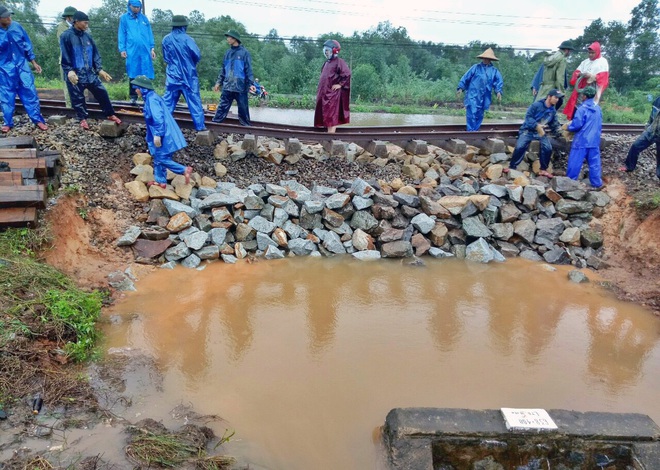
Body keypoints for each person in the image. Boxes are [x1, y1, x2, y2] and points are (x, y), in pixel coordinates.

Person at [60, 11, 122, 130]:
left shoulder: (87, 36)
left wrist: (99, 69)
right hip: (76, 74)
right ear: (76, 22)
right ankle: (82, 118)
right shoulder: (66, 36)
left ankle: (110, 114)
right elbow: (65, 55)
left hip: (90, 73)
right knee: (77, 98)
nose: (87, 25)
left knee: (102, 92)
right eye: (85, 23)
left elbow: (95, 54)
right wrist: (69, 70)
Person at [131, 75, 192, 189]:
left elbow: (158, 118)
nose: (135, 90)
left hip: (163, 133)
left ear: (142, 88)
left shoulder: (152, 99)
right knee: (158, 157)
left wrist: (158, 134)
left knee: (161, 158)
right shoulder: (150, 97)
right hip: (164, 132)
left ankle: (184, 170)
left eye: (137, 87)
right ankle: (161, 181)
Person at [0, 5, 48, 133]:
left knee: (30, 92)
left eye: (10, 16)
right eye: (6, 17)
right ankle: (8, 122)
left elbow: (26, 44)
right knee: (6, 96)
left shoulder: (17, 27)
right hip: (4, 70)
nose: (9, 18)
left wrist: (33, 62)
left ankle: (38, 120)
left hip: (22, 66)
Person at [504, 89, 564, 178]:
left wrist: (560, 132)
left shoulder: (552, 111)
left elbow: (554, 124)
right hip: (527, 130)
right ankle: (512, 167)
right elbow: (528, 118)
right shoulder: (536, 105)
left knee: (547, 148)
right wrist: (536, 125)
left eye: (558, 98)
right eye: (555, 97)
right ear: (549, 97)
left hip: (540, 133)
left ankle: (543, 170)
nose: (557, 100)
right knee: (520, 146)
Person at [162, 15, 206, 131]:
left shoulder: (166, 39)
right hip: (188, 76)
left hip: (173, 76)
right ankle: (200, 127)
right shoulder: (188, 39)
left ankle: (163, 126)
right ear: (184, 26)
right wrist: (189, 64)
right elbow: (197, 55)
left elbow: (166, 58)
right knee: (194, 102)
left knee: (168, 103)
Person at [212, 30, 254, 126]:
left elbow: (248, 70)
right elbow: (223, 70)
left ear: (234, 39)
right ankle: (214, 127)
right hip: (227, 86)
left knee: (243, 110)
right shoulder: (227, 53)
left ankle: (247, 129)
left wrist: (251, 84)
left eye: (229, 37)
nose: (227, 39)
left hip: (240, 87)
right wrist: (218, 82)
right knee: (222, 108)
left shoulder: (244, 53)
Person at [457, 47, 503, 131]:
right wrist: (461, 87)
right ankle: (470, 131)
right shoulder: (475, 67)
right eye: (484, 58)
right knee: (471, 111)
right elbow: (466, 77)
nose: (485, 60)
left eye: (487, 58)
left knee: (480, 113)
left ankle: (476, 130)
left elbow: (498, 81)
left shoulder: (494, 71)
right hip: (473, 94)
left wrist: (498, 91)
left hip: (485, 95)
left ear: (490, 60)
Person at [118, 0, 155, 105]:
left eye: (138, 7)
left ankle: (147, 96)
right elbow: (122, 34)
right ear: (129, 6)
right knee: (133, 72)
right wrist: (122, 49)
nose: (136, 9)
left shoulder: (144, 19)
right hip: (132, 50)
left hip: (145, 51)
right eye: (134, 7)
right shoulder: (124, 19)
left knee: (145, 72)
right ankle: (133, 96)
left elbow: (149, 34)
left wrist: (152, 48)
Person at [565, 87, 603, 188]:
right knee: (594, 163)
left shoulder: (582, 109)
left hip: (581, 140)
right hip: (594, 141)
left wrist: (568, 127)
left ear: (584, 96)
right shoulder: (598, 108)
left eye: (582, 95)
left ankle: (569, 183)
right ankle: (597, 183)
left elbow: (577, 125)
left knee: (575, 162)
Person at [563, 42, 609, 120]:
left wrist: (591, 76)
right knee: (577, 105)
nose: (590, 54)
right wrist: (580, 74)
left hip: (593, 89)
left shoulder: (603, 62)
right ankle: (575, 121)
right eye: (589, 53)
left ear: (597, 52)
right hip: (581, 88)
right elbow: (576, 72)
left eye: (592, 53)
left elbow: (603, 78)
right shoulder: (585, 62)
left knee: (590, 106)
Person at [314, 39, 351, 133]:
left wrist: (340, 84)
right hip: (323, 93)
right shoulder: (326, 63)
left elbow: (347, 74)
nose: (326, 52)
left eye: (328, 50)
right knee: (324, 114)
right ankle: (327, 135)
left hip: (332, 94)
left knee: (331, 115)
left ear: (334, 51)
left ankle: (331, 136)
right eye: (325, 50)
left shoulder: (339, 62)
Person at [619, 95, 660, 178]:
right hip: (652, 130)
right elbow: (652, 115)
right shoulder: (657, 100)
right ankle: (629, 166)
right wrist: (648, 126)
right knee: (636, 146)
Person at [535, 40, 574, 108]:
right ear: (566, 50)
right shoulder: (562, 59)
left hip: (544, 87)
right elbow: (559, 78)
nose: (570, 53)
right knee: (549, 108)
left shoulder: (551, 57)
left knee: (539, 105)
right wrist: (562, 92)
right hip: (552, 88)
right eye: (570, 50)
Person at [56, 6, 76, 107]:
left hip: (77, 61)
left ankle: (78, 107)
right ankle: (69, 108)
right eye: (73, 16)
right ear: (68, 17)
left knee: (78, 84)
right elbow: (63, 44)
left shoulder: (77, 26)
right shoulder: (61, 27)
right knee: (68, 86)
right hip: (66, 61)